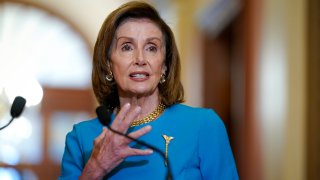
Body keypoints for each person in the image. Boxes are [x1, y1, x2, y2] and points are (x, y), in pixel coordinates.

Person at [59, 1, 238, 180]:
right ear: (108, 64)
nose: (140, 59)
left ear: (165, 66)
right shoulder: (82, 138)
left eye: (151, 48)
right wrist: (96, 167)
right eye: (127, 47)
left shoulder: (204, 125)